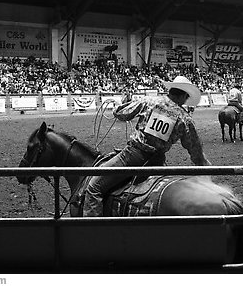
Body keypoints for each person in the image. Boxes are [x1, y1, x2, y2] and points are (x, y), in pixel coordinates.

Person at [83, 75, 210, 217]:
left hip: (132, 157)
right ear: (183, 96)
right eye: (186, 98)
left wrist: (117, 107)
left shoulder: (149, 101)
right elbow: (195, 151)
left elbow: (121, 114)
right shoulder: (185, 119)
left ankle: (92, 229)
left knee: (94, 187)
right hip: (156, 162)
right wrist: (205, 166)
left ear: (171, 91)